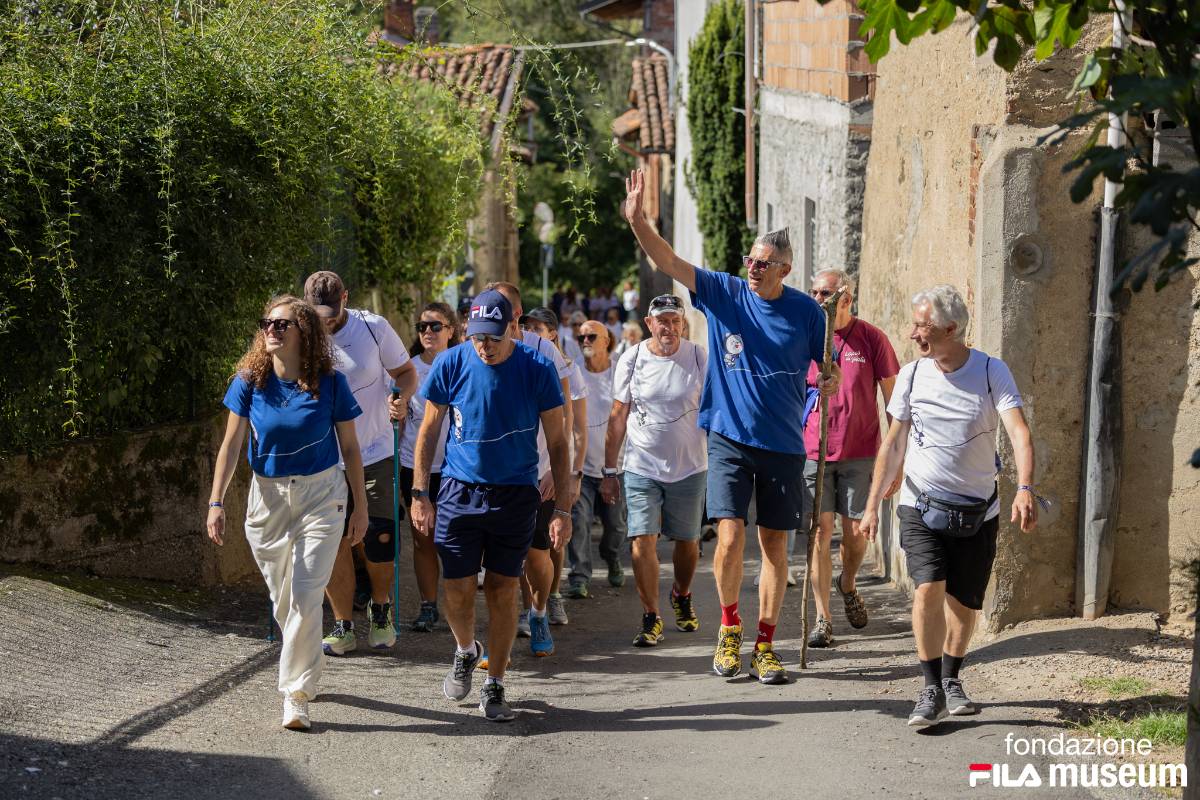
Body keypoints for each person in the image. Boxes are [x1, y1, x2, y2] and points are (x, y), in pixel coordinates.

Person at [622, 168, 839, 685]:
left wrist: (827, 380)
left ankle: (766, 642)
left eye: (763, 263)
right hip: (728, 437)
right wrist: (638, 222)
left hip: (784, 443)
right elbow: (669, 261)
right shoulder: (725, 293)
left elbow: (824, 366)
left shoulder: (808, 313)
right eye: (750, 260)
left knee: (775, 547)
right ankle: (729, 628)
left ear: (784, 268)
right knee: (728, 536)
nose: (752, 268)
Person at [859, 285, 1038, 728]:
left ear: (951, 329)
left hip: (978, 509)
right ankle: (929, 687)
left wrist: (1026, 487)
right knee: (927, 588)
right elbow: (894, 440)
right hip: (920, 503)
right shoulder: (912, 376)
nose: (913, 333)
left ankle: (952, 676)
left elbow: (1018, 432)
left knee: (964, 602)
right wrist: (869, 505)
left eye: (922, 325)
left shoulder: (992, 372)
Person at [410, 289, 572, 722]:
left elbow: (557, 440)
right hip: (459, 492)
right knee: (458, 588)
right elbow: (427, 431)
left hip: (516, 494)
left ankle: (495, 682)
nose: (485, 346)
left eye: (493, 338)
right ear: (467, 330)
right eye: (478, 337)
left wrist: (564, 508)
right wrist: (420, 493)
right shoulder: (451, 362)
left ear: (512, 329)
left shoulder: (537, 368)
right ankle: (466, 650)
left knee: (502, 589)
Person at [206, 295, 367, 731]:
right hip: (268, 498)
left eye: (282, 325)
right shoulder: (249, 381)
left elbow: (350, 448)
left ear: (305, 334)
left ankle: (295, 693)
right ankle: (306, 664)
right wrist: (216, 502)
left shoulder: (330, 382)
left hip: (322, 496)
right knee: (285, 600)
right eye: (267, 324)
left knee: (305, 593)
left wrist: (361, 508)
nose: (272, 331)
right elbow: (232, 445)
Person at [302, 272, 418, 657]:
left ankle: (381, 608)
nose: (327, 320)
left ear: (346, 299)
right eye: (318, 314)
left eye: (333, 312)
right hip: (324, 458)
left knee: (379, 537)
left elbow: (405, 372)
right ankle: (343, 624)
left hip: (374, 451)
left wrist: (400, 397)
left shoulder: (374, 328)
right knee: (333, 540)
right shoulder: (298, 333)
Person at [801, 268, 901, 649]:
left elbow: (896, 405)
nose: (816, 299)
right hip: (815, 453)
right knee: (820, 534)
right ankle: (824, 619)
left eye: (823, 293)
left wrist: (896, 462)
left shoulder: (872, 338)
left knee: (856, 534)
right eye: (812, 292)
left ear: (845, 298)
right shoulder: (807, 339)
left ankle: (848, 582)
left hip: (861, 453)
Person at [601, 295, 707, 646]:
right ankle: (650, 615)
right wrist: (609, 470)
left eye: (675, 320)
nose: (669, 327)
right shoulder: (632, 359)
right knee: (642, 539)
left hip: (690, 466)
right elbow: (618, 416)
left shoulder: (697, 357)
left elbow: (716, 409)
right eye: (662, 320)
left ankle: (682, 593)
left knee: (688, 543)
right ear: (649, 323)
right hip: (641, 465)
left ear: (682, 323)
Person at [487, 282, 576, 659]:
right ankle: (498, 637)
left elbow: (566, 416)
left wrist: (559, 471)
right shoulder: (479, 349)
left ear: (517, 316)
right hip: (492, 475)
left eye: (501, 310)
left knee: (536, 554)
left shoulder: (544, 352)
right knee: (498, 561)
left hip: (537, 470)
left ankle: (539, 611)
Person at [518, 307, 589, 627]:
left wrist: (570, 474)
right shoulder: (514, 361)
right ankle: (527, 607)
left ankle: (553, 595)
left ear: (552, 335)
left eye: (538, 327)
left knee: (551, 540)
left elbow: (573, 428)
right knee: (523, 547)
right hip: (520, 472)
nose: (531, 332)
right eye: (527, 326)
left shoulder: (568, 371)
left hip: (551, 468)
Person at [399, 302, 459, 632]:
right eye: (422, 327)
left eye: (435, 326)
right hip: (415, 465)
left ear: (451, 331)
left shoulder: (465, 363)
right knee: (422, 539)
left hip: (455, 468)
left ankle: (455, 605)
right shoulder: (407, 369)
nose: (427, 332)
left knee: (451, 541)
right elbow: (397, 418)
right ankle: (428, 606)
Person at [563, 319, 628, 599]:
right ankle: (579, 575)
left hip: (617, 466)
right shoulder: (573, 372)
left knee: (616, 527)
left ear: (607, 341)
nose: (585, 341)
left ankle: (611, 557)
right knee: (579, 522)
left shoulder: (621, 372)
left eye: (591, 336)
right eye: (581, 338)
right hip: (582, 467)